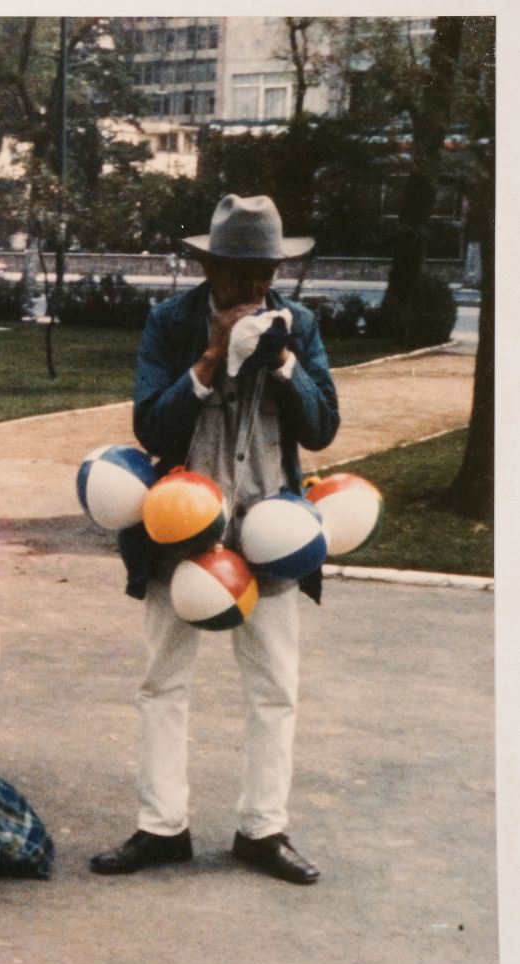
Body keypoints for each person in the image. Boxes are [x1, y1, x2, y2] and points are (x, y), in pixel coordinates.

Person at [90, 194, 339, 885]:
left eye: (264, 272)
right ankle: (160, 826)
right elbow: (151, 429)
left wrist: (286, 365)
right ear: (207, 265)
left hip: (271, 531)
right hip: (180, 526)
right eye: (235, 271)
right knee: (162, 681)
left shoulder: (301, 325)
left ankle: (263, 829)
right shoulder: (170, 323)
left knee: (273, 688)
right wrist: (209, 359)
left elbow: (322, 429)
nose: (251, 287)